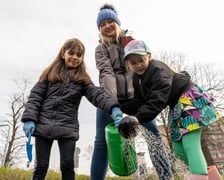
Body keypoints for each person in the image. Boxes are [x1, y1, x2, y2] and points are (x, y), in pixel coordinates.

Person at [90, 4, 173, 180]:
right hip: (109, 100)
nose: (107, 26)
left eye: (110, 21)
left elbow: (147, 65)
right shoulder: (100, 49)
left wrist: (171, 73)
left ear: (117, 23)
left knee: (154, 136)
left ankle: (166, 177)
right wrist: (113, 106)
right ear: (100, 29)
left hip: (136, 100)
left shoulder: (131, 42)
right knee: (101, 143)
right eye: (102, 24)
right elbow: (106, 73)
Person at [21, 38, 123, 180]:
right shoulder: (49, 74)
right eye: (72, 53)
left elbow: (97, 95)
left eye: (79, 55)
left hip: (67, 128)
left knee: (68, 166)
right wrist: (29, 119)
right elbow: (35, 96)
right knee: (41, 167)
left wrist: (113, 108)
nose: (75, 57)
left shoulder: (82, 79)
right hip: (43, 126)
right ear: (63, 53)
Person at [121, 39, 222, 180]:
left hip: (189, 100)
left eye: (141, 60)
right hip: (176, 107)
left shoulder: (157, 69)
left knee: (189, 145)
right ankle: (211, 177)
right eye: (133, 62)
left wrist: (137, 118)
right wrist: (119, 106)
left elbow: (158, 99)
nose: (138, 65)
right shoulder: (138, 79)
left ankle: (199, 176)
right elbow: (140, 101)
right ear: (128, 64)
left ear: (149, 57)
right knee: (179, 150)